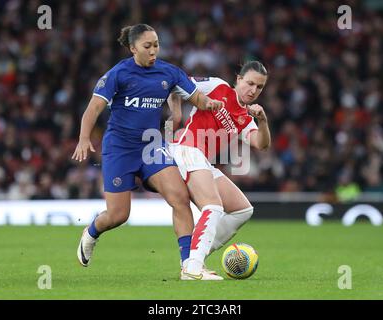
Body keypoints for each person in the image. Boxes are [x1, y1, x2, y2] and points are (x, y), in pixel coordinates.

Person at [72, 24, 224, 280]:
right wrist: (83, 139)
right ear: (133, 49)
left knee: (179, 197)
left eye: (156, 45)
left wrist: (211, 103)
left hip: (151, 147)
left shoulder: (169, 72)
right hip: (119, 149)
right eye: (147, 46)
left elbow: (197, 99)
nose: (153, 51)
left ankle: (189, 266)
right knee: (119, 215)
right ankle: (91, 233)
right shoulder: (118, 74)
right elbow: (94, 107)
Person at [167, 61, 271, 279]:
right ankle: (193, 267)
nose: (253, 90)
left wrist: (262, 121)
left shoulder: (246, 118)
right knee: (213, 205)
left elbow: (261, 143)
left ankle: (195, 257)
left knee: (242, 210)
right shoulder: (217, 86)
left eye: (259, 87)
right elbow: (176, 83)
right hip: (186, 148)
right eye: (250, 83)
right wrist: (176, 113)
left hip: (202, 160)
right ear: (239, 79)